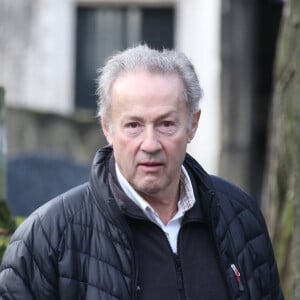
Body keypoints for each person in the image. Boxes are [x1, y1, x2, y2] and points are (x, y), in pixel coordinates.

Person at [0, 44, 284, 300]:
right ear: (107, 128)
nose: (150, 144)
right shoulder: (47, 238)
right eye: (133, 125)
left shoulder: (241, 218)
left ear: (192, 124)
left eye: (166, 124)